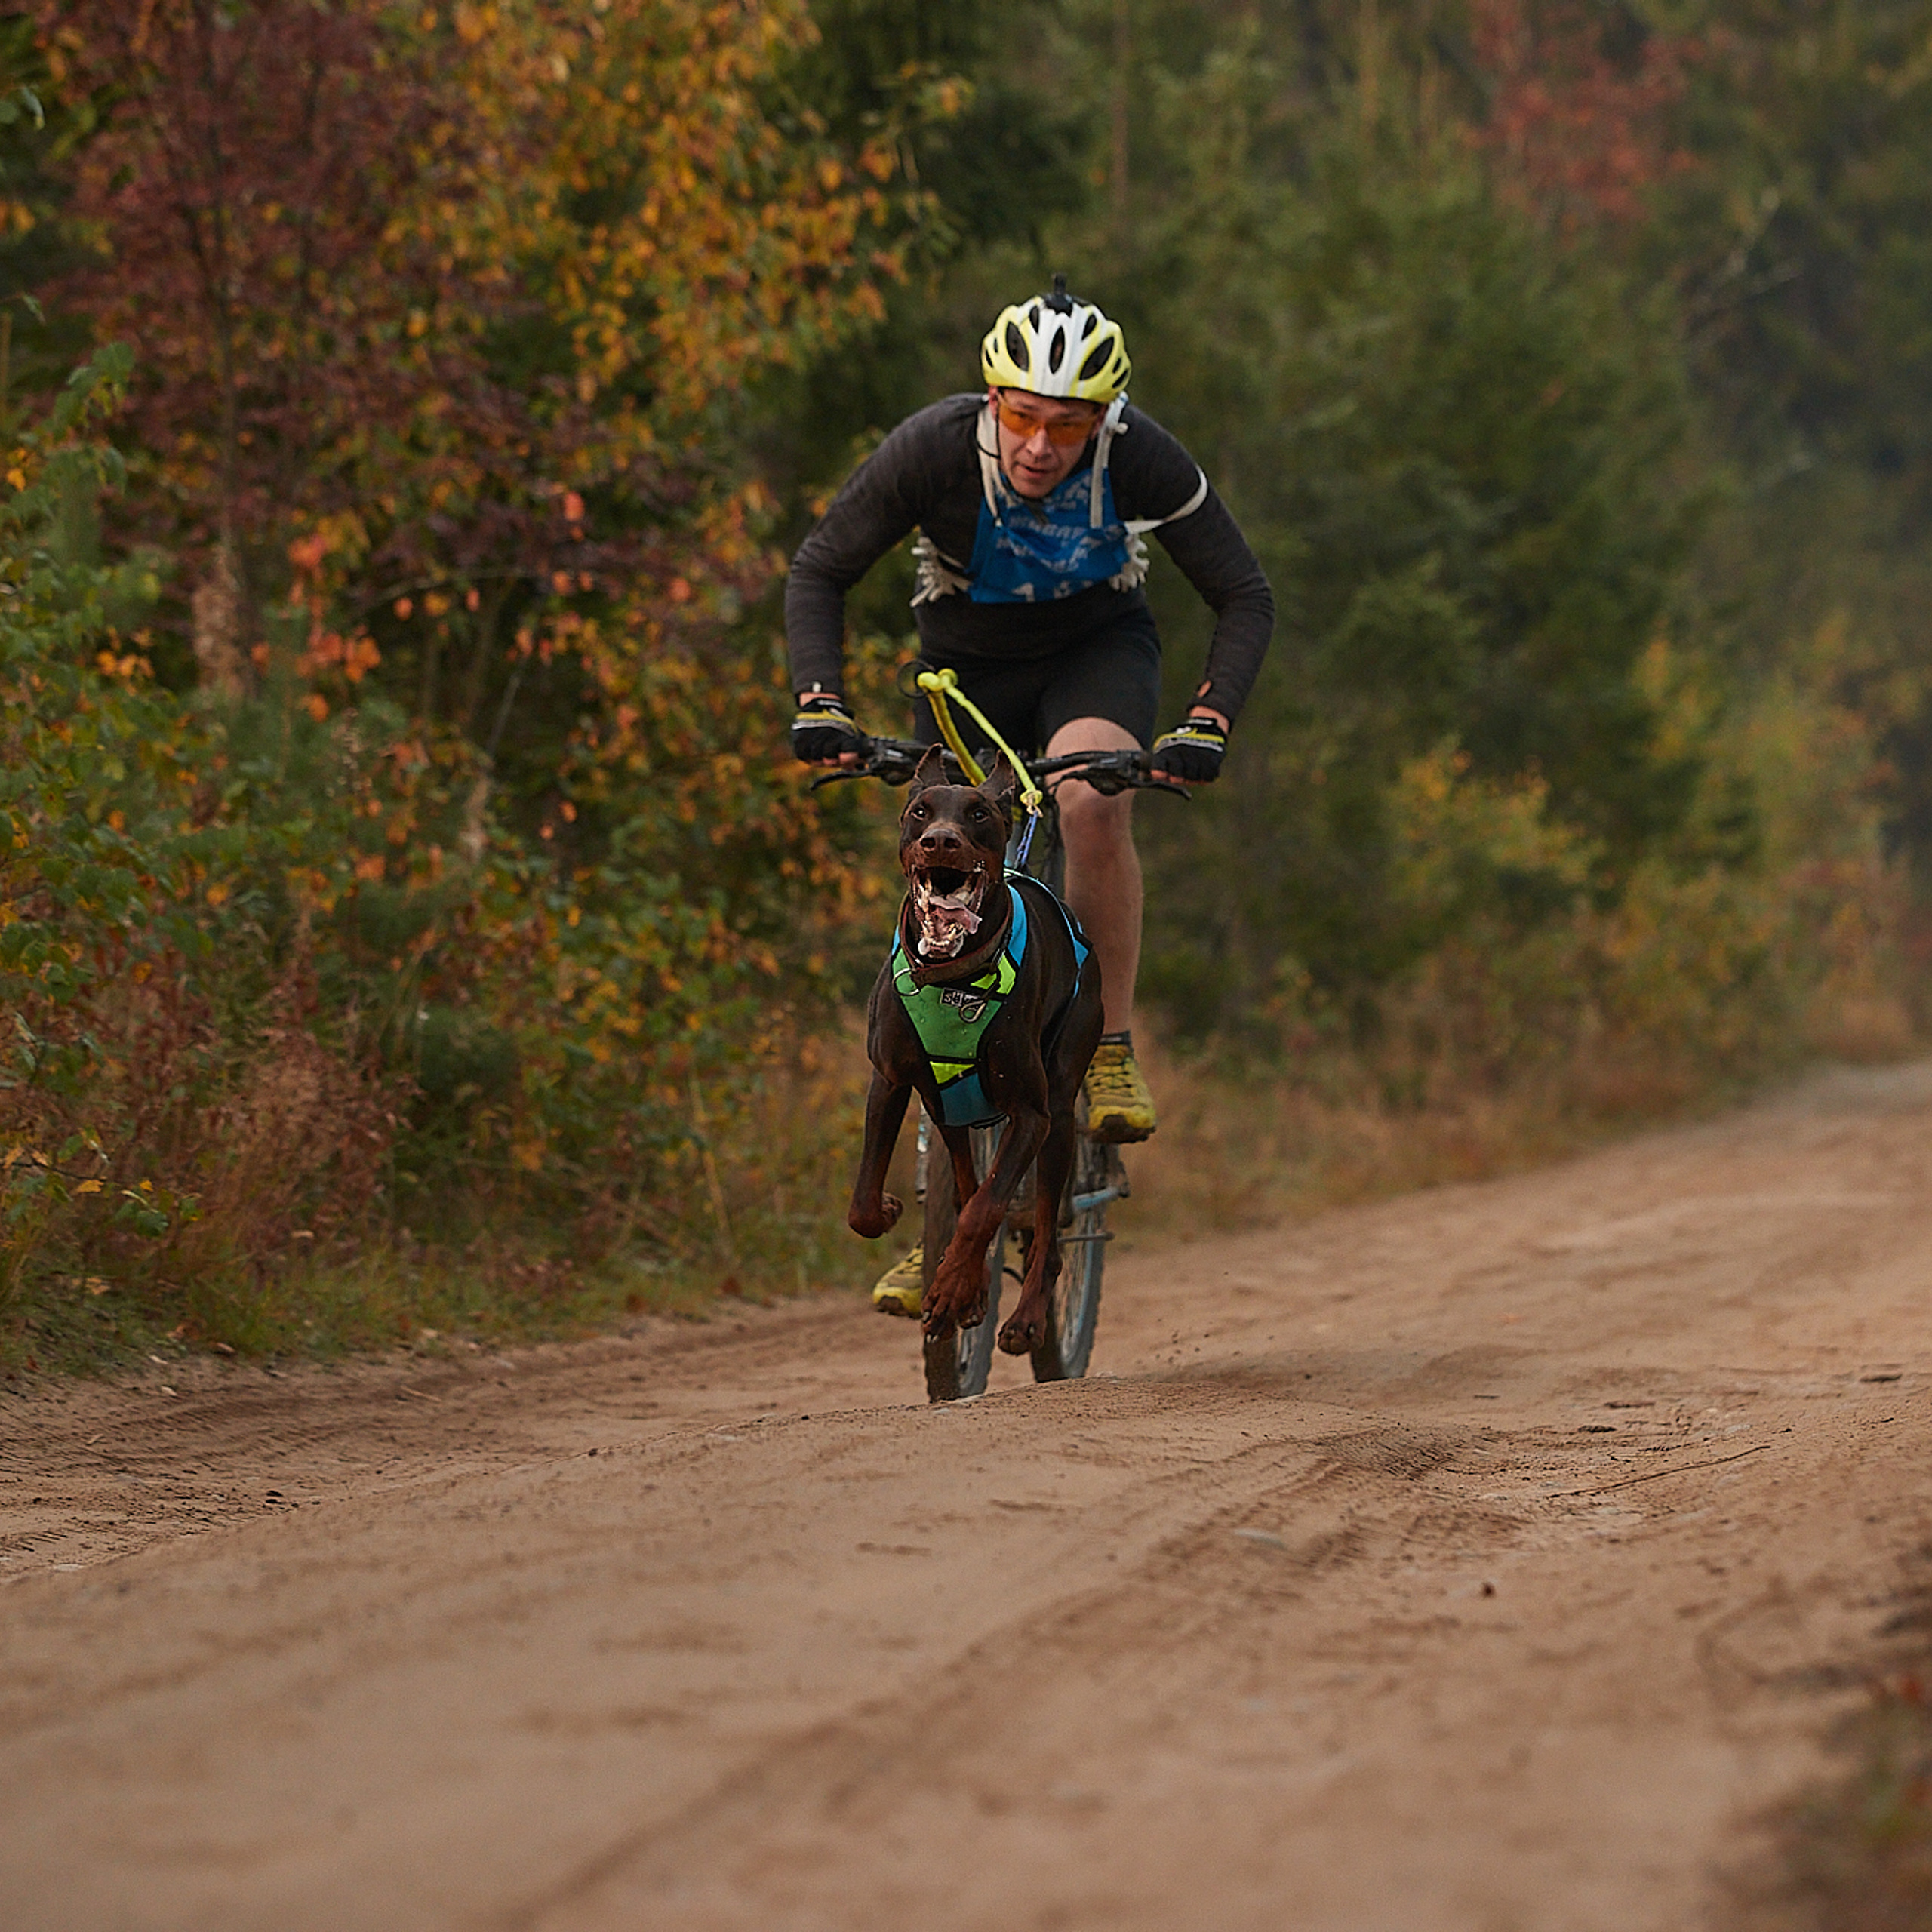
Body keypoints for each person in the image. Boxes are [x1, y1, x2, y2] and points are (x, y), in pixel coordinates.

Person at [786, 276, 1273, 1313]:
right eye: (1022, 417)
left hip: (1097, 655)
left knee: (1091, 802)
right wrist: (820, 701)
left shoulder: (1142, 458)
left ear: (1106, 421)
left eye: (1069, 425)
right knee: (946, 843)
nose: (1042, 445)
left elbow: (1243, 592)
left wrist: (1206, 722)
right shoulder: (930, 449)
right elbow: (820, 570)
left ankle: (1108, 1047)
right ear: (991, 401)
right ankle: (945, 1197)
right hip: (966, 665)